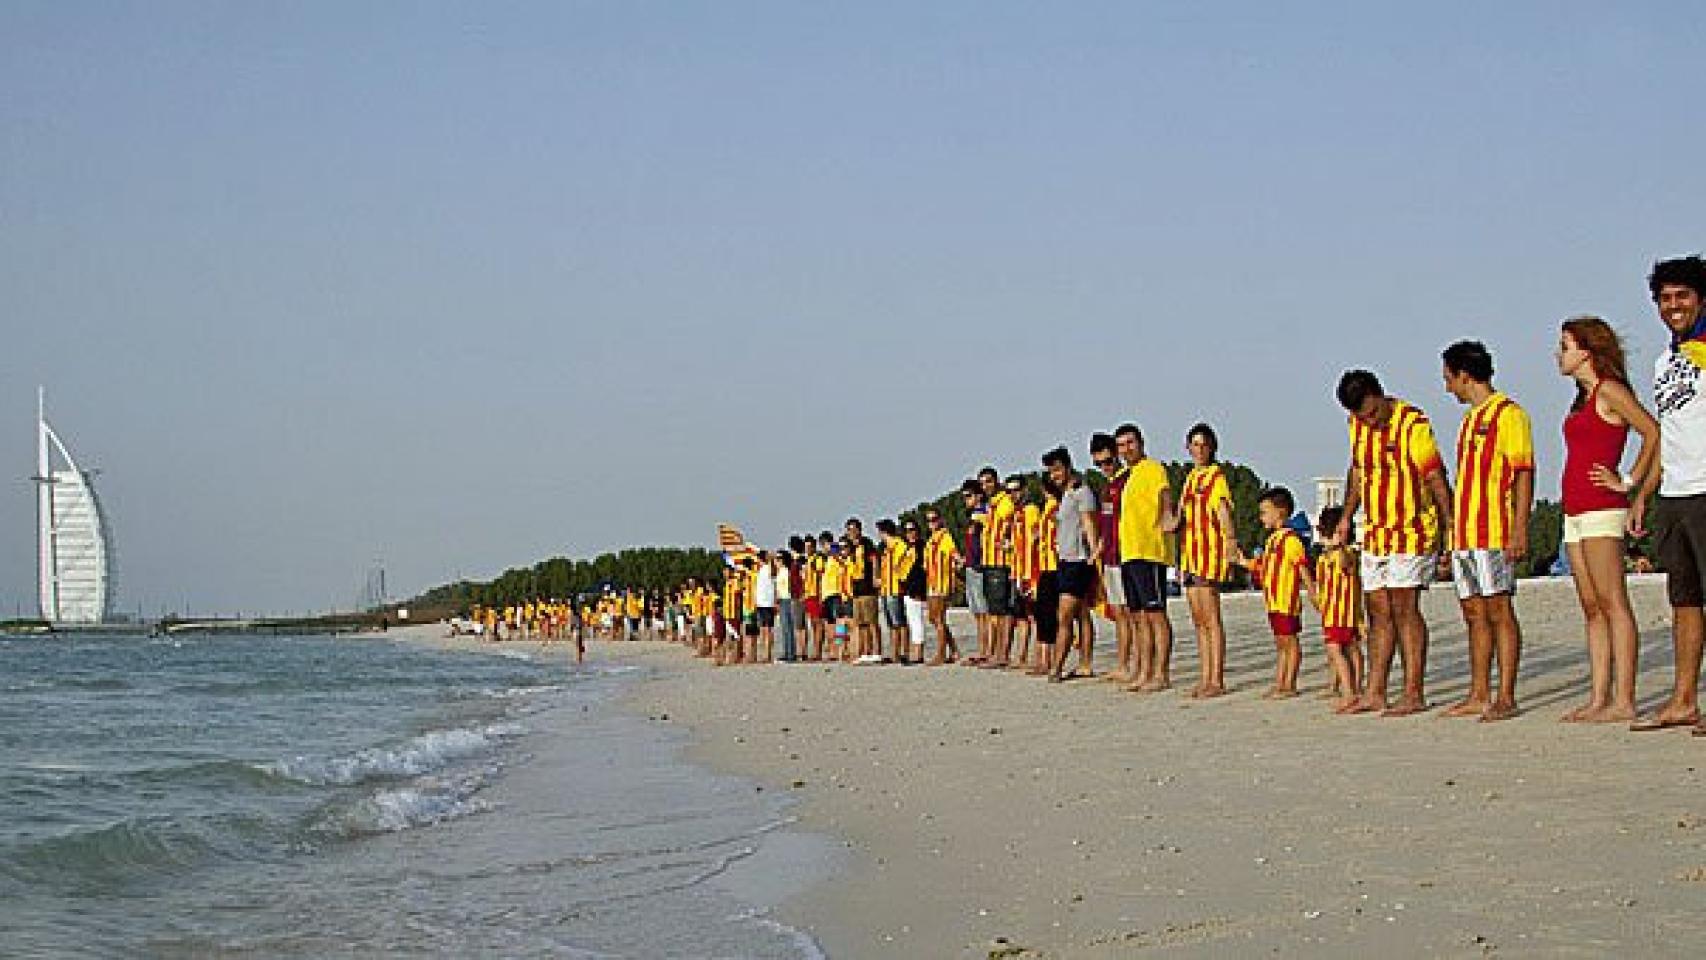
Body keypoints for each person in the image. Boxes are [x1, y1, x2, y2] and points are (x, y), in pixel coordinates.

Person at [1333, 369, 1453, 717]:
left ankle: (1413, 691)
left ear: (1381, 395)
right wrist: (1345, 515)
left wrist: (1449, 527)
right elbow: (1357, 471)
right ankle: (1375, 690)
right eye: (1360, 417)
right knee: (1377, 610)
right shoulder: (1357, 425)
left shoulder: (1412, 423)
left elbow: (1435, 476)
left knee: (1404, 607)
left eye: (1371, 413)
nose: (1368, 421)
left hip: (1413, 529)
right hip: (1376, 530)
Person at [1556, 317, 1658, 722]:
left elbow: (1652, 431)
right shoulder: (1580, 399)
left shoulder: (1610, 391)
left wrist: (1630, 481)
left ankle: (1624, 699)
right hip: (1574, 510)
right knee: (1591, 606)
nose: (1559, 354)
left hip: (1602, 507)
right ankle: (1600, 696)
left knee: (1613, 602)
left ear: (1586, 350)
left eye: (1565, 345)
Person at [1441, 340, 1535, 722]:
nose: (1447, 387)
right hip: (1464, 535)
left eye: (1449, 378)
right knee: (1473, 613)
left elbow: (1523, 472)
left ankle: (1506, 694)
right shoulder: (1468, 420)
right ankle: (1479, 691)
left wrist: (1520, 528)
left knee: (1499, 610)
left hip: (1494, 529)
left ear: (1465, 375)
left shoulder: (1509, 414)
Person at [1635, 256, 1706, 733]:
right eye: (1665, 298)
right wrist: (1644, 492)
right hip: (1676, 491)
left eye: (1682, 296)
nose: (1673, 306)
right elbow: (1671, 431)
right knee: (1683, 598)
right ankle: (1683, 699)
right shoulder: (1667, 361)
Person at [1114, 423, 1179, 692]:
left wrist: (1168, 517)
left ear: (1140, 443)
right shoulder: (1125, 475)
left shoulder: (1153, 469)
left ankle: (1160, 674)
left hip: (1149, 550)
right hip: (1128, 552)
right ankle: (1143, 670)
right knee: (1137, 616)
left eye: (1130, 443)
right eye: (1121, 445)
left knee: (1155, 614)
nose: (1126, 449)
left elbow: (1165, 496)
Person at [1236, 487, 1315, 699]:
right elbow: (1263, 566)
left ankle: (1290, 683)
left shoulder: (1291, 540)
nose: (1261, 517)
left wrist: (1313, 592)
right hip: (1272, 601)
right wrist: (1243, 562)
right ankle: (1281, 681)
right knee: (1281, 644)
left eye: (1264, 512)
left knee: (1290, 642)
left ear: (1280, 511)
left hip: (1286, 601)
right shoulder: (1272, 541)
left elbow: (1302, 568)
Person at [1177, 423, 1235, 698]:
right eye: (1194, 444)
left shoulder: (1216, 477)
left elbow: (1223, 511)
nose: (1199, 450)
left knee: (1211, 619)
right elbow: (1180, 516)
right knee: (1198, 620)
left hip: (1209, 554)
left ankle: (1216, 678)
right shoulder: (1190, 478)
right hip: (1189, 554)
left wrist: (1231, 544)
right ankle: (1204, 676)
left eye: (1204, 445)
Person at [1042, 446, 1101, 682]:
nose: (1054, 475)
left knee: (1064, 616)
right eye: (1050, 472)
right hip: (1065, 560)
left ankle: (1056, 667)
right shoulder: (1066, 493)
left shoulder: (1081, 491)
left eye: (1057, 469)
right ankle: (1085, 663)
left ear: (1067, 466)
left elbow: (1089, 522)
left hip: (1078, 561)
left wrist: (1094, 552)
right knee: (1082, 615)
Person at [1088, 432, 1131, 682]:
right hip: (1111, 557)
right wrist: (1098, 550)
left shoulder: (1128, 480)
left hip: (1128, 554)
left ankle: (1134, 664)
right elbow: (1106, 526)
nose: (1104, 468)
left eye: (1107, 462)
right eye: (1098, 464)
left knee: (1130, 613)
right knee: (1118, 613)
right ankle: (1123, 663)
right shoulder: (1106, 488)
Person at [1315, 505, 1364, 712]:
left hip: (1343, 613)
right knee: (1350, 649)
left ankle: (1351, 691)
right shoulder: (1323, 559)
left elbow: (1346, 564)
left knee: (1338, 649)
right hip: (1331, 612)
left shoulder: (1345, 554)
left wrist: (1341, 545)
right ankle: (1352, 687)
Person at [978, 467, 1018, 669]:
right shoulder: (991, 505)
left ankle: (1002, 654)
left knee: (1003, 610)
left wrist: (1009, 543)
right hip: (990, 561)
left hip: (1002, 562)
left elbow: (1013, 526)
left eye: (989, 482)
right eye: (983, 483)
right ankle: (996, 652)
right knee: (995, 609)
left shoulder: (1005, 503)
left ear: (997, 481)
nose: (985, 487)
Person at [923, 508, 961, 665]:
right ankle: (953, 649)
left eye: (934, 519)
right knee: (934, 618)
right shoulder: (931, 539)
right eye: (929, 520)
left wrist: (959, 564)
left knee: (939, 618)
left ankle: (941, 654)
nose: (932, 523)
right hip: (932, 581)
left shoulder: (945, 537)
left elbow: (953, 553)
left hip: (942, 582)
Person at [959, 479, 990, 664]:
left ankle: (986, 650)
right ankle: (982, 649)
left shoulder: (982, 515)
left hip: (980, 567)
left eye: (969, 496)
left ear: (978, 495)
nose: (966, 500)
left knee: (983, 612)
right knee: (977, 612)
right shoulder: (973, 516)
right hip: (971, 566)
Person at [845, 519, 883, 664]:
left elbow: (874, 561)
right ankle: (866, 651)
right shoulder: (850, 548)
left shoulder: (867, 544)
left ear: (859, 530)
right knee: (861, 624)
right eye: (849, 530)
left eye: (854, 529)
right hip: (856, 590)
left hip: (868, 588)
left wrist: (876, 577)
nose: (852, 533)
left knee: (872, 621)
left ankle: (877, 651)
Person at [877, 519, 909, 663]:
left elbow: (901, 565)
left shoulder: (899, 545)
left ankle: (904, 652)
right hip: (885, 589)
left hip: (896, 588)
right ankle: (894, 653)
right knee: (891, 624)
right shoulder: (885, 548)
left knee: (900, 622)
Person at [898, 520, 928, 664]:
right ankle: (913, 651)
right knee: (912, 621)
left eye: (912, 530)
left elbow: (923, 570)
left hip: (917, 588)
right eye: (907, 531)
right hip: (908, 588)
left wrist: (920, 589)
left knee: (917, 622)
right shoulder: (908, 548)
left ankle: (918, 653)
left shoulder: (922, 547)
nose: (910, 533)